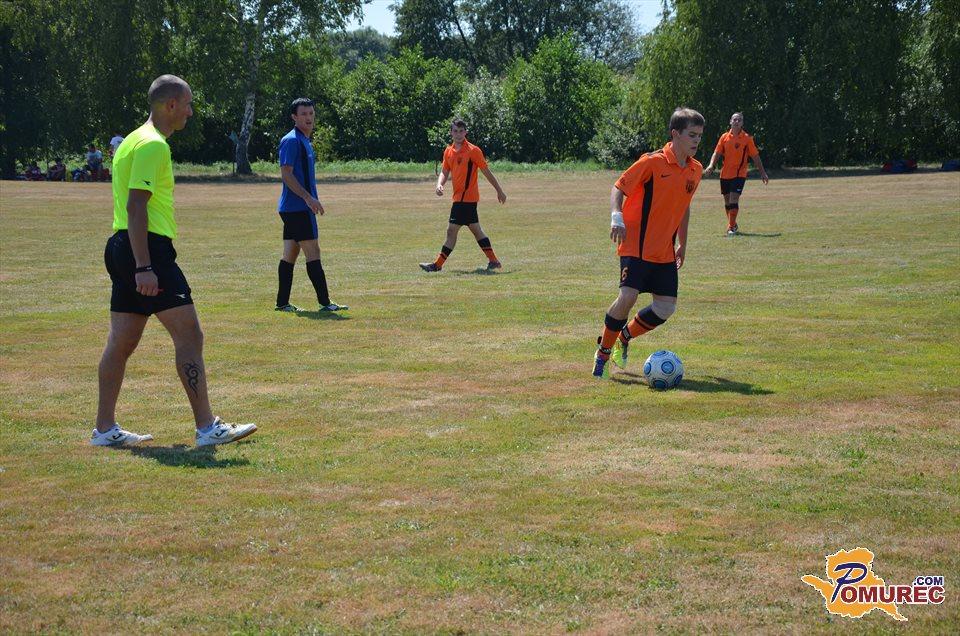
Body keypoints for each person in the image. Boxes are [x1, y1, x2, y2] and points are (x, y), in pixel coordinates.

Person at [92, 74, 256, 447]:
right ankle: (207, 428)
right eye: (187, 104)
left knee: (121, 341)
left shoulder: (132, 140)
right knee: (189, 334)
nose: (190, 112)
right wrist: (144, 266)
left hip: (122, 245)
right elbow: (136, 206)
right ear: (170, 105)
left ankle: (104, 429)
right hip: (147, 249)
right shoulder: (153, 145)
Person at [592, 107, 705, 379]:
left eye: (700, 136)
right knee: (628, 296)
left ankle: (624, 337)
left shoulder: (695, 170)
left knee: (665, 307)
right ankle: (603, 353)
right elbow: (619, 187)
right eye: (691, 135)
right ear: (675, 134)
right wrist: (616, 216)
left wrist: (682, 244)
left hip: (664, 250)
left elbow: (684, 206)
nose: (697, 141)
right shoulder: (651, 163)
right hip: (636, 245)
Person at [274, 97, 348, 313]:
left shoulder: (304, 140)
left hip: (294, 208)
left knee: (290, 254)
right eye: (303, 114)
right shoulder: (291, 140)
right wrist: (308, 198)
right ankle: (325, 303)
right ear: (294, 117)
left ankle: (282, 303)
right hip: (297, 208)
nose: (308, 118)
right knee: (313, 251)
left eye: (311, 113)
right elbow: (286, 174)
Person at [419, 118, 506, 272]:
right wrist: (439, 184)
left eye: (461, 131)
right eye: (455, 131)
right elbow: (445, 171)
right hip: (459, 198)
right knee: (476, 230)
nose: (458, 134)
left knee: (451, 230)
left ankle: (437, 265)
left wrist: (499, 190)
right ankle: (494, 261)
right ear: (451, 133)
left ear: (466, 132)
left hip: (466, 199)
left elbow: (486, 171)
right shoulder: (448, 151)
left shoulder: (473, 151)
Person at [703, 112, 769, 235]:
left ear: (742, 123)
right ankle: (732, 223)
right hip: (725, 174)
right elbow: (717, 153)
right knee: (727, 202)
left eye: (739, 120)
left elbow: (755, 156)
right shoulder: (724, 137)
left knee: (733, 199)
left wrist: (763, 173)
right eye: (734, 119)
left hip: (739, 174)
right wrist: (711, 165)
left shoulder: (747, 138)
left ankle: (731, 227)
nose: (736, 121)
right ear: (730, 121)